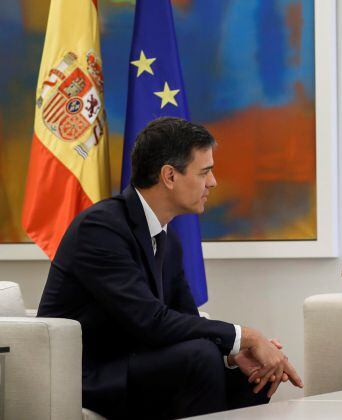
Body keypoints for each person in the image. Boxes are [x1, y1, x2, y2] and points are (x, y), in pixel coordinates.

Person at [38, 117, 302, 419]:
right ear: (169, 176)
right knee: (201, 357)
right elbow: (150, 321)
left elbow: (185, 320)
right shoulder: (100, 228)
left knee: (251, 371)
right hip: (91, 375)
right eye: (204, 172)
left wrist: (234, 356)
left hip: (137, 363)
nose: (213, 182)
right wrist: (248, 337)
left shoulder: (166, 239)